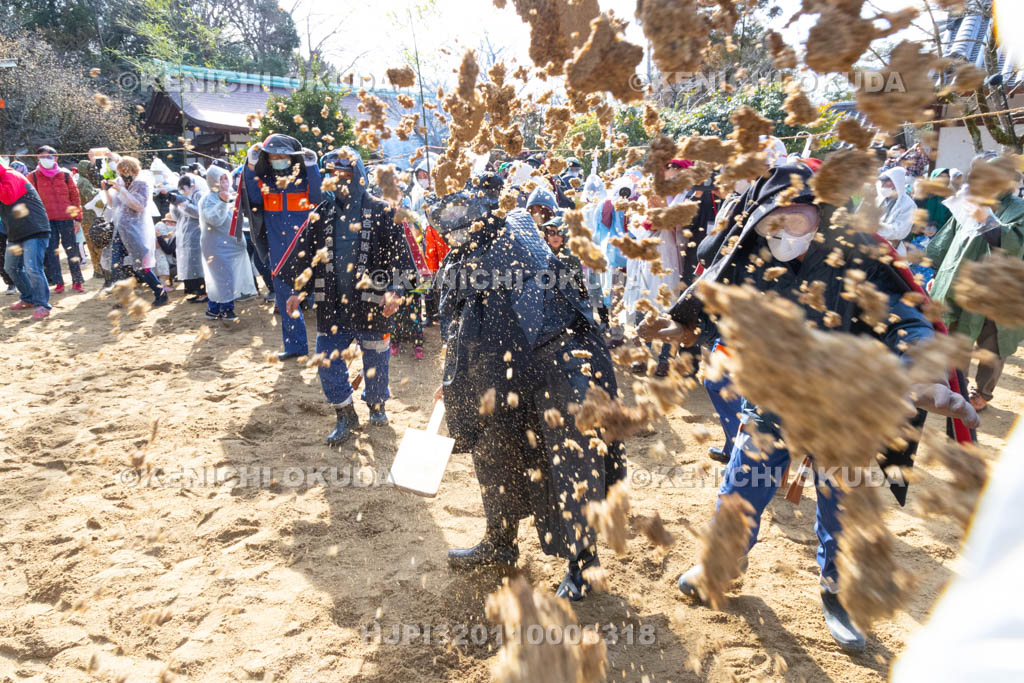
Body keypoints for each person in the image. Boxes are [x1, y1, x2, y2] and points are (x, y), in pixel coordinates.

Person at [640, 164, 978, 650]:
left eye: (794, 219)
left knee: (841, 502)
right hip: (772, 397)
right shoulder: (750, 257)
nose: (782, 232)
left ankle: (838, 594)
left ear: (820, 213)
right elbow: (717, 307)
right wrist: (686, 328)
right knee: (742, 485)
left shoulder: (856, 258)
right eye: (772, 221)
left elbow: (906, 321)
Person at [430, 173, 627, 601]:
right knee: (494, 452)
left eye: (461, 224)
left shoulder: (515, 237)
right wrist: (455, 379)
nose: (454, 234)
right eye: (447, 228)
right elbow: (463, 328)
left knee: (570, 464)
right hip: (503, 373)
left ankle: (583, 563)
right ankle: (500, 541)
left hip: (557, 364)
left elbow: (528, 312)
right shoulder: (461, 259)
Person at [275, 147, 413, 444]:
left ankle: (376, 405)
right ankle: (345, 414)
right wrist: (297, 291)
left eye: (345, 175)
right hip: (332, 304)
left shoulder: (383, 211)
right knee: (326, 359)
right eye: (333, 175)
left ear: (358, 175)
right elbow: (306, 256)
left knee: (376, 358)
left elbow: (401, 258)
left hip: (372, 303)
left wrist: (395, 290)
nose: (339, 180)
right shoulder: (321, 214)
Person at [927, 160, 1024, 412]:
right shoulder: (970, 203)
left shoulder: (1019, 208)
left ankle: (982, 392)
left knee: (993, 343)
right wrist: (938, 274)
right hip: (961, 283)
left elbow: (1011, 244)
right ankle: (957, 384)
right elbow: (948, 242)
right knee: (957, 335)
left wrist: (986, 219)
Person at [242, 134, 322, 360]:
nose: (278, 159)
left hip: (308, 250)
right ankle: (295, 346)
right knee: (285, 297)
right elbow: (252, 198)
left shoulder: (304, 179)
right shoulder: (266, 182)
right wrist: (250, 166)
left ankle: (330, 347)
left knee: (321, 298)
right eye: (273, 156)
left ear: (293, 158)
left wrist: (312, 166)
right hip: (279, 250)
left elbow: (319, 197)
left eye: (283, 156)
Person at [103, 157, 168, 306]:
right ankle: (123, 298)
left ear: (133, 171)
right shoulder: (119, 182)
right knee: (116, 265)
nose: (122, 175)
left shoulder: (141, 184)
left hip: (136, 230)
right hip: (120, 230)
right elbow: (113, 205)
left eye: (124, 172)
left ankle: (160, 293)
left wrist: (122, 190)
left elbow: (138, 205)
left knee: (141, 266)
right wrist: (106, 191)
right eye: (120, 172)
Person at [199, 166, 255, 320]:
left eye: (225, 178)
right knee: (223, 277)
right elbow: (214, 220)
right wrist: (223, 202)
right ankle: (226, 309)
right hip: (216, 246)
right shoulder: (208, 199)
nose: (224, 182)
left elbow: (235, 218)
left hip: (232, 246)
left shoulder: (230, 195)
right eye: (220, 179)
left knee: (222, 278)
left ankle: (213, 309)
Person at [28, 146, 84, 293]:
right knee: (52, 252)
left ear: (56, 158)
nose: (45, 159)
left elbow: (75, 197)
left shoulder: (65, 175)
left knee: (72, 250)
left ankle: (77, 281)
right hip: (46, 221)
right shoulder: (33, 177)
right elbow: (31, 200)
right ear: (37, 158)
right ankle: (58, 282)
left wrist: (77, 219)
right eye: (42, 157)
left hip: (66, 219)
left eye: (49, 156)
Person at [1, 161, 52, 318]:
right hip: (16, 232)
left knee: (33, 268)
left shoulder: (12, 175)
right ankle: (28, 298)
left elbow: (8, 198)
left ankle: (42, 305)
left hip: (34, 229)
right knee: (11, 267)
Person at [171, 175, 207, 303]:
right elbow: (176, 217)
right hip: (184, 235)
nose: (183, 191)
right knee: (189, 265)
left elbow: (199, 213)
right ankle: (196, 292)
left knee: (197, 264)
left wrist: (184, 204)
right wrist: (174, 204)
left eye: (184, 188)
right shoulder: (185, 197)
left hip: (196, 234)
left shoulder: (198, 195)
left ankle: (203, 293)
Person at [875, 166, 916, 255]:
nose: (883, 184)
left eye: (886, 181)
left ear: (896, 182)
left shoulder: (908, 204)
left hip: (892, 249)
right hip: (871, 245)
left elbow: (900, 231)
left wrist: (874, 228)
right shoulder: (878, 200)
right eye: (882, 181)